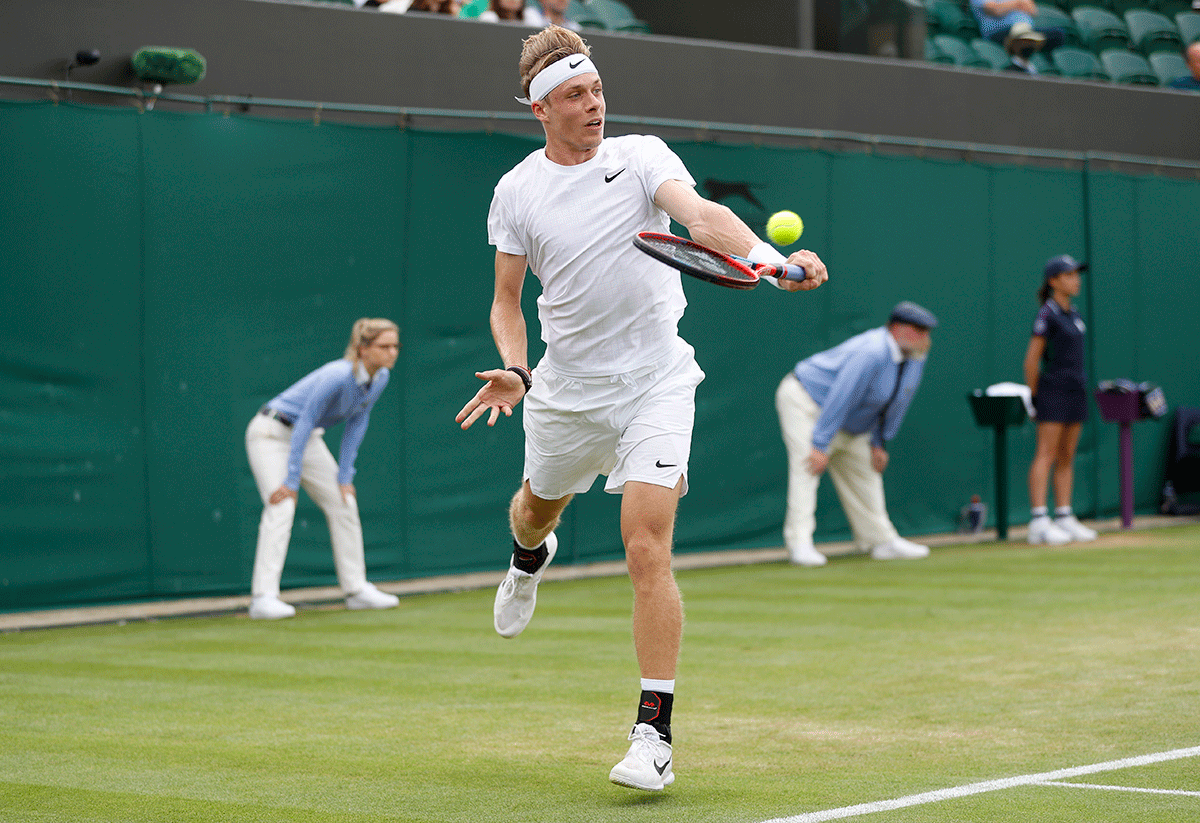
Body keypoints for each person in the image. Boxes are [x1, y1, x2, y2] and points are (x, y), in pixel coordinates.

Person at [455, 25, 827, 792]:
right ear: (540, 108)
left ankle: (652, 733)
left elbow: (701, 216)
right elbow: (506, 300)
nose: (594, 104)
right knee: (532, 511)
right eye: (574, 95)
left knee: (645, 546)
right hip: (565, 391)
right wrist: (518, 370)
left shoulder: (641, 155)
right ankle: (530, 560)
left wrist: (767, 260)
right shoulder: (517, 190)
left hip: (656, 381)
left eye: (596, 89)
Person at [245, 318, 403, 620]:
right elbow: (305, 420)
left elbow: (358, 422)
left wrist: (346, 476)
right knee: (282, 505)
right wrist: (291, 479)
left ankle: (356, 590)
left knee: (344, 501)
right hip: (271, 432)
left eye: (396, 346)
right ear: (362, 349)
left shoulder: (380, 377)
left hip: (307, 440)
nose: (392, 352)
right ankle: (263, 597)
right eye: (384, 346)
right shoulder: (337, 375)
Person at [775, 302, 937, 568]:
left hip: (849, 423)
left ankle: (880, 541)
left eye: (927, 332)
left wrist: (879, 441)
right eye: (919, 330)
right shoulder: (871, 351)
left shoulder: (916, 356)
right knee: (808, 466)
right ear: (897, 329)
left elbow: (899, 400)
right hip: (805, 402)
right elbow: (843, 394)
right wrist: (820, 444)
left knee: (866, 470)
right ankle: (799, 545)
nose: (925, 338)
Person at [1024, 255, 1098, 545]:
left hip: (1075, 389)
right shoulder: (1047, 314)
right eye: (1068, 275)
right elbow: (1031, 362)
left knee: (1067, 455)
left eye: (1077, 275)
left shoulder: (1074, 313)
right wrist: (1034, 396)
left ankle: (1064, 516)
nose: (1075, 280)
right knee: (1046, 453)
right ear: (1053, 281)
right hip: (1052, 390)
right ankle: (1039, 521)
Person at [969, 0, 1064, 71]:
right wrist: (1017, 3)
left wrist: (1008, 6)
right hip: (1000, 32)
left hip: (1026, 29)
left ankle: (1042, 67)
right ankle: (1019, 66)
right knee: (1022, 37)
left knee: (1057, 35)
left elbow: (1032, 10)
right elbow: (995, 10)